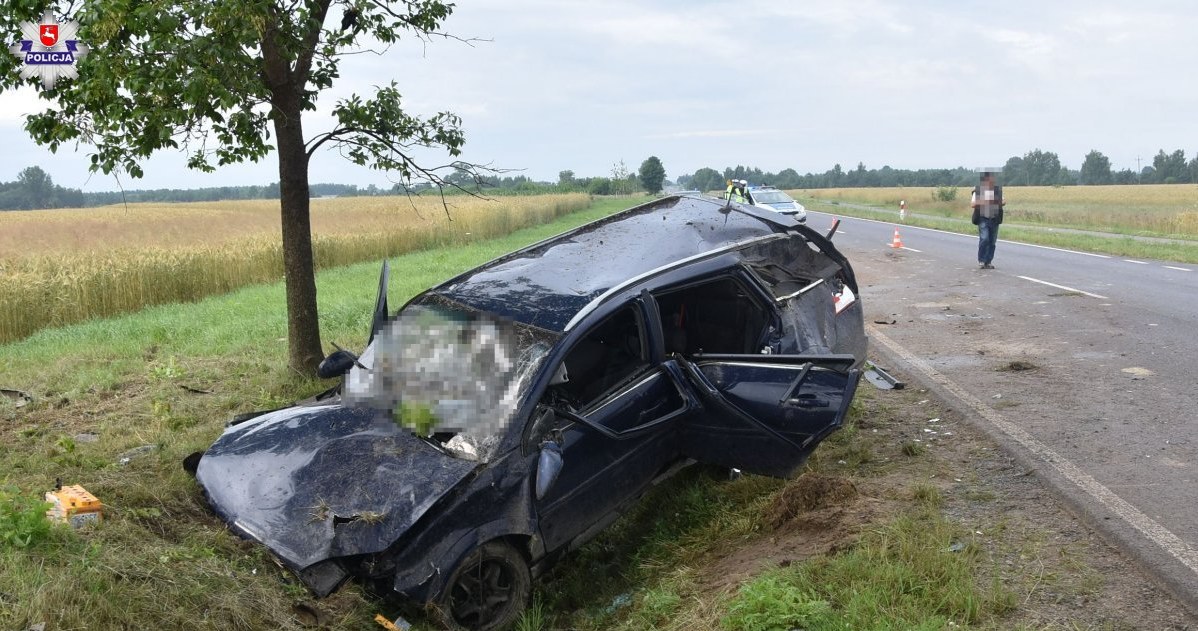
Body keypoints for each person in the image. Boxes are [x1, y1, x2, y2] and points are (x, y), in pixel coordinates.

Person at [971, 172, 1004, 269]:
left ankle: (988, 261)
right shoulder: (978, 191)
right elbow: (972, 204)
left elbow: (1004, 201)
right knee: (984, 238)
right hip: (983, 218)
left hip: (994, 218)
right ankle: (981, 260)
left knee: (992, 242)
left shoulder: (997, 191)